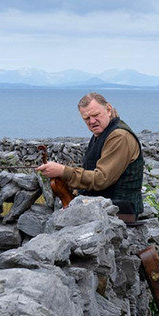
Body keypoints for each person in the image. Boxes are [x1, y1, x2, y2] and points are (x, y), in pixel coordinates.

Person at [37, 92, 144, 220]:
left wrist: (62, 171)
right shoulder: (102, 133)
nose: (92, 121)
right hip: (104, 208)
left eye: (96, 115)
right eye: (87, 119)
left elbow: (101, 179)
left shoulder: (119, 136)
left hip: (120, 212)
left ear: (108, 110)